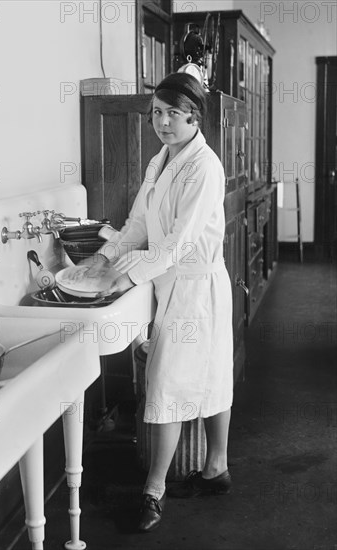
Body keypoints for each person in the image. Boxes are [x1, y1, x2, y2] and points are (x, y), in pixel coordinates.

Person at [80, 72, 234, 532]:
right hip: (173, 282)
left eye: (173, 113)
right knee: (211, 371)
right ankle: (216, 470)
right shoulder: (162, 160)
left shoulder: (204, 167)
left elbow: (176, 246)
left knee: (170, 380)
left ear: (194, 116)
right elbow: (138, 224)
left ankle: (153, 490)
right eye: (156, 113)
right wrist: (103, 256)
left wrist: (121, 272)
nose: (162, 122)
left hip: (195, 284)